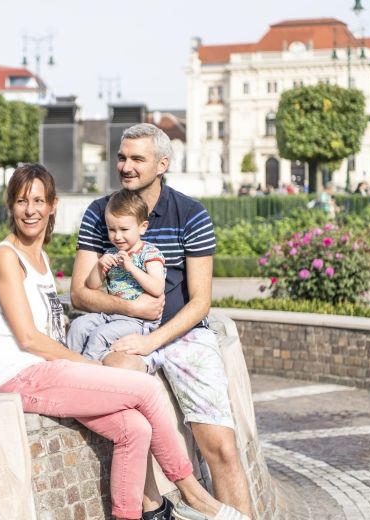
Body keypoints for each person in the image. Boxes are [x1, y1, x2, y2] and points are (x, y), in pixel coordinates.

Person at [0, 163, 246, 520]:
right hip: (20, 377)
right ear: (10, 205)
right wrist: (89, 367)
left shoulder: (39, 259)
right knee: (144, 389)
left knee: (134, 428)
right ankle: (193, 494)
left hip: (47, 372)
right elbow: (29, 338)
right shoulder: (4, 257)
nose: (31, 210)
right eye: (22, 201)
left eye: (39, 201)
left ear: (53, 205)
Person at [71, 123, 252, 518]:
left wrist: (154, 341)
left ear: (162, 163)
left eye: (137, 158)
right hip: (127, 329)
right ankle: (154, 503)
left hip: (183, 334)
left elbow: (200, 302)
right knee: (118, 379)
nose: (126, 166)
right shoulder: (99, 213)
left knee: (221, 447)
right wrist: (134, 312)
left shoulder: (191, 214)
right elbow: (80, 294)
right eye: (122, 157)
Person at [67, 189, 166, 367]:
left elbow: (157, 288)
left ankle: (87, 372)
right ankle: (68, 365)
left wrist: (131, 267)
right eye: (111, 229)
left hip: (138, 322)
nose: (117, 236)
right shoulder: (111, 253)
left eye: (124, 229)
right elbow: (92, 285)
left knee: (100, 335)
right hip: (110, 314)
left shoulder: (150, 254)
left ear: (142, 227)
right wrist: (99, 267)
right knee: (78, 326)